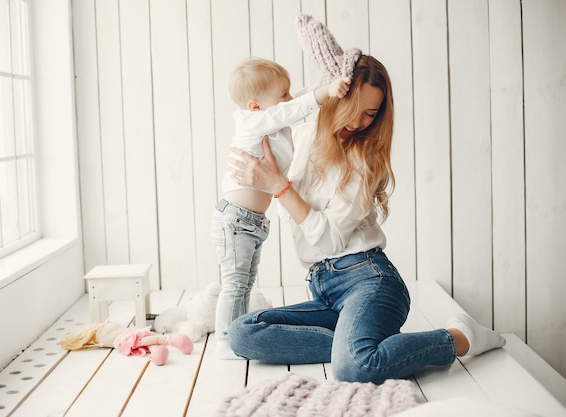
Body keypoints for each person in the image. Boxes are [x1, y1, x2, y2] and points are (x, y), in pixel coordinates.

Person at [225, 14, 505, 383]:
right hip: (324, 289)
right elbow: (285, 104)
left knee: (354, 367)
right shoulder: (306, 133)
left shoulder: (362, 161)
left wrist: (279, 186)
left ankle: (460, 337)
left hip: (369, 281)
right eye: (353, 108)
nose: (358, 123)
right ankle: (361, 341)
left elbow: (328, 238)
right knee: (242, 333)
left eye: (370, 114)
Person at [212, 57, 351, 359]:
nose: (289, 98)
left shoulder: (268, 113)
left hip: (252, 221)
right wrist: (324, 93)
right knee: (234, 283)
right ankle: (225, 339)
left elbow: (296, 99)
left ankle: (236, 331)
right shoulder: (252, 121)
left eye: (288, 93)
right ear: (255, 106)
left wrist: (325, 85)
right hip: (235, 220)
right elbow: (295, 107)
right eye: (282, 95)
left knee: (246, 280)